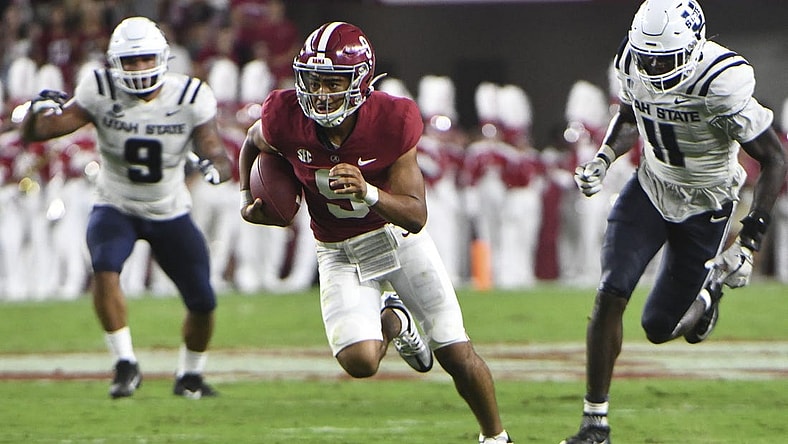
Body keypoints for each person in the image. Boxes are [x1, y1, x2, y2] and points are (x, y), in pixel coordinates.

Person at [239, 22, 512, 444]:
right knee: (360, 362)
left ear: (360, 82)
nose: (320, 93)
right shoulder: (285, 116)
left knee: (454, 350)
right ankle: (394, 321)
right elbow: (252, 141)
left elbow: (415, 216)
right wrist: (248, 198)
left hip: (397, 240)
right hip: (337, 250)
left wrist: (368, 192)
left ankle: (496, 437)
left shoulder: (391, 120)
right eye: (313, 80)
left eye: (333, 82)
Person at [562, 1, 787, 443]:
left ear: (694, 47)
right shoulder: (633, 61)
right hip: (651, 187)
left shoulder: (721, 80)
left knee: (659, 327)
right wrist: (604, 157)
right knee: (611, 290)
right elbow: (631, 115)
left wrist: (750, 240)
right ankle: (594, 423)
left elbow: (775, 158)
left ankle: (709, 292)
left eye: (664, 59)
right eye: (647, 58)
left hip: (707, 203)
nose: (653, 68)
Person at [19, 16, 233, 399]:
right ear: (114, 63)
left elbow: (214, 149)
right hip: (116, 203)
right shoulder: (99, 89)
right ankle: (125, 363)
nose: (138, 67)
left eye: (146, 58)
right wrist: (36, 112)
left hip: (169, 209)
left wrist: (216, 167)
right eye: (130, 60)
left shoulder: (190, 95)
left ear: (163, 58)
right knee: (104, 266)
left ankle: (190, 376)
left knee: (203, 300)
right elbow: (42, 131)